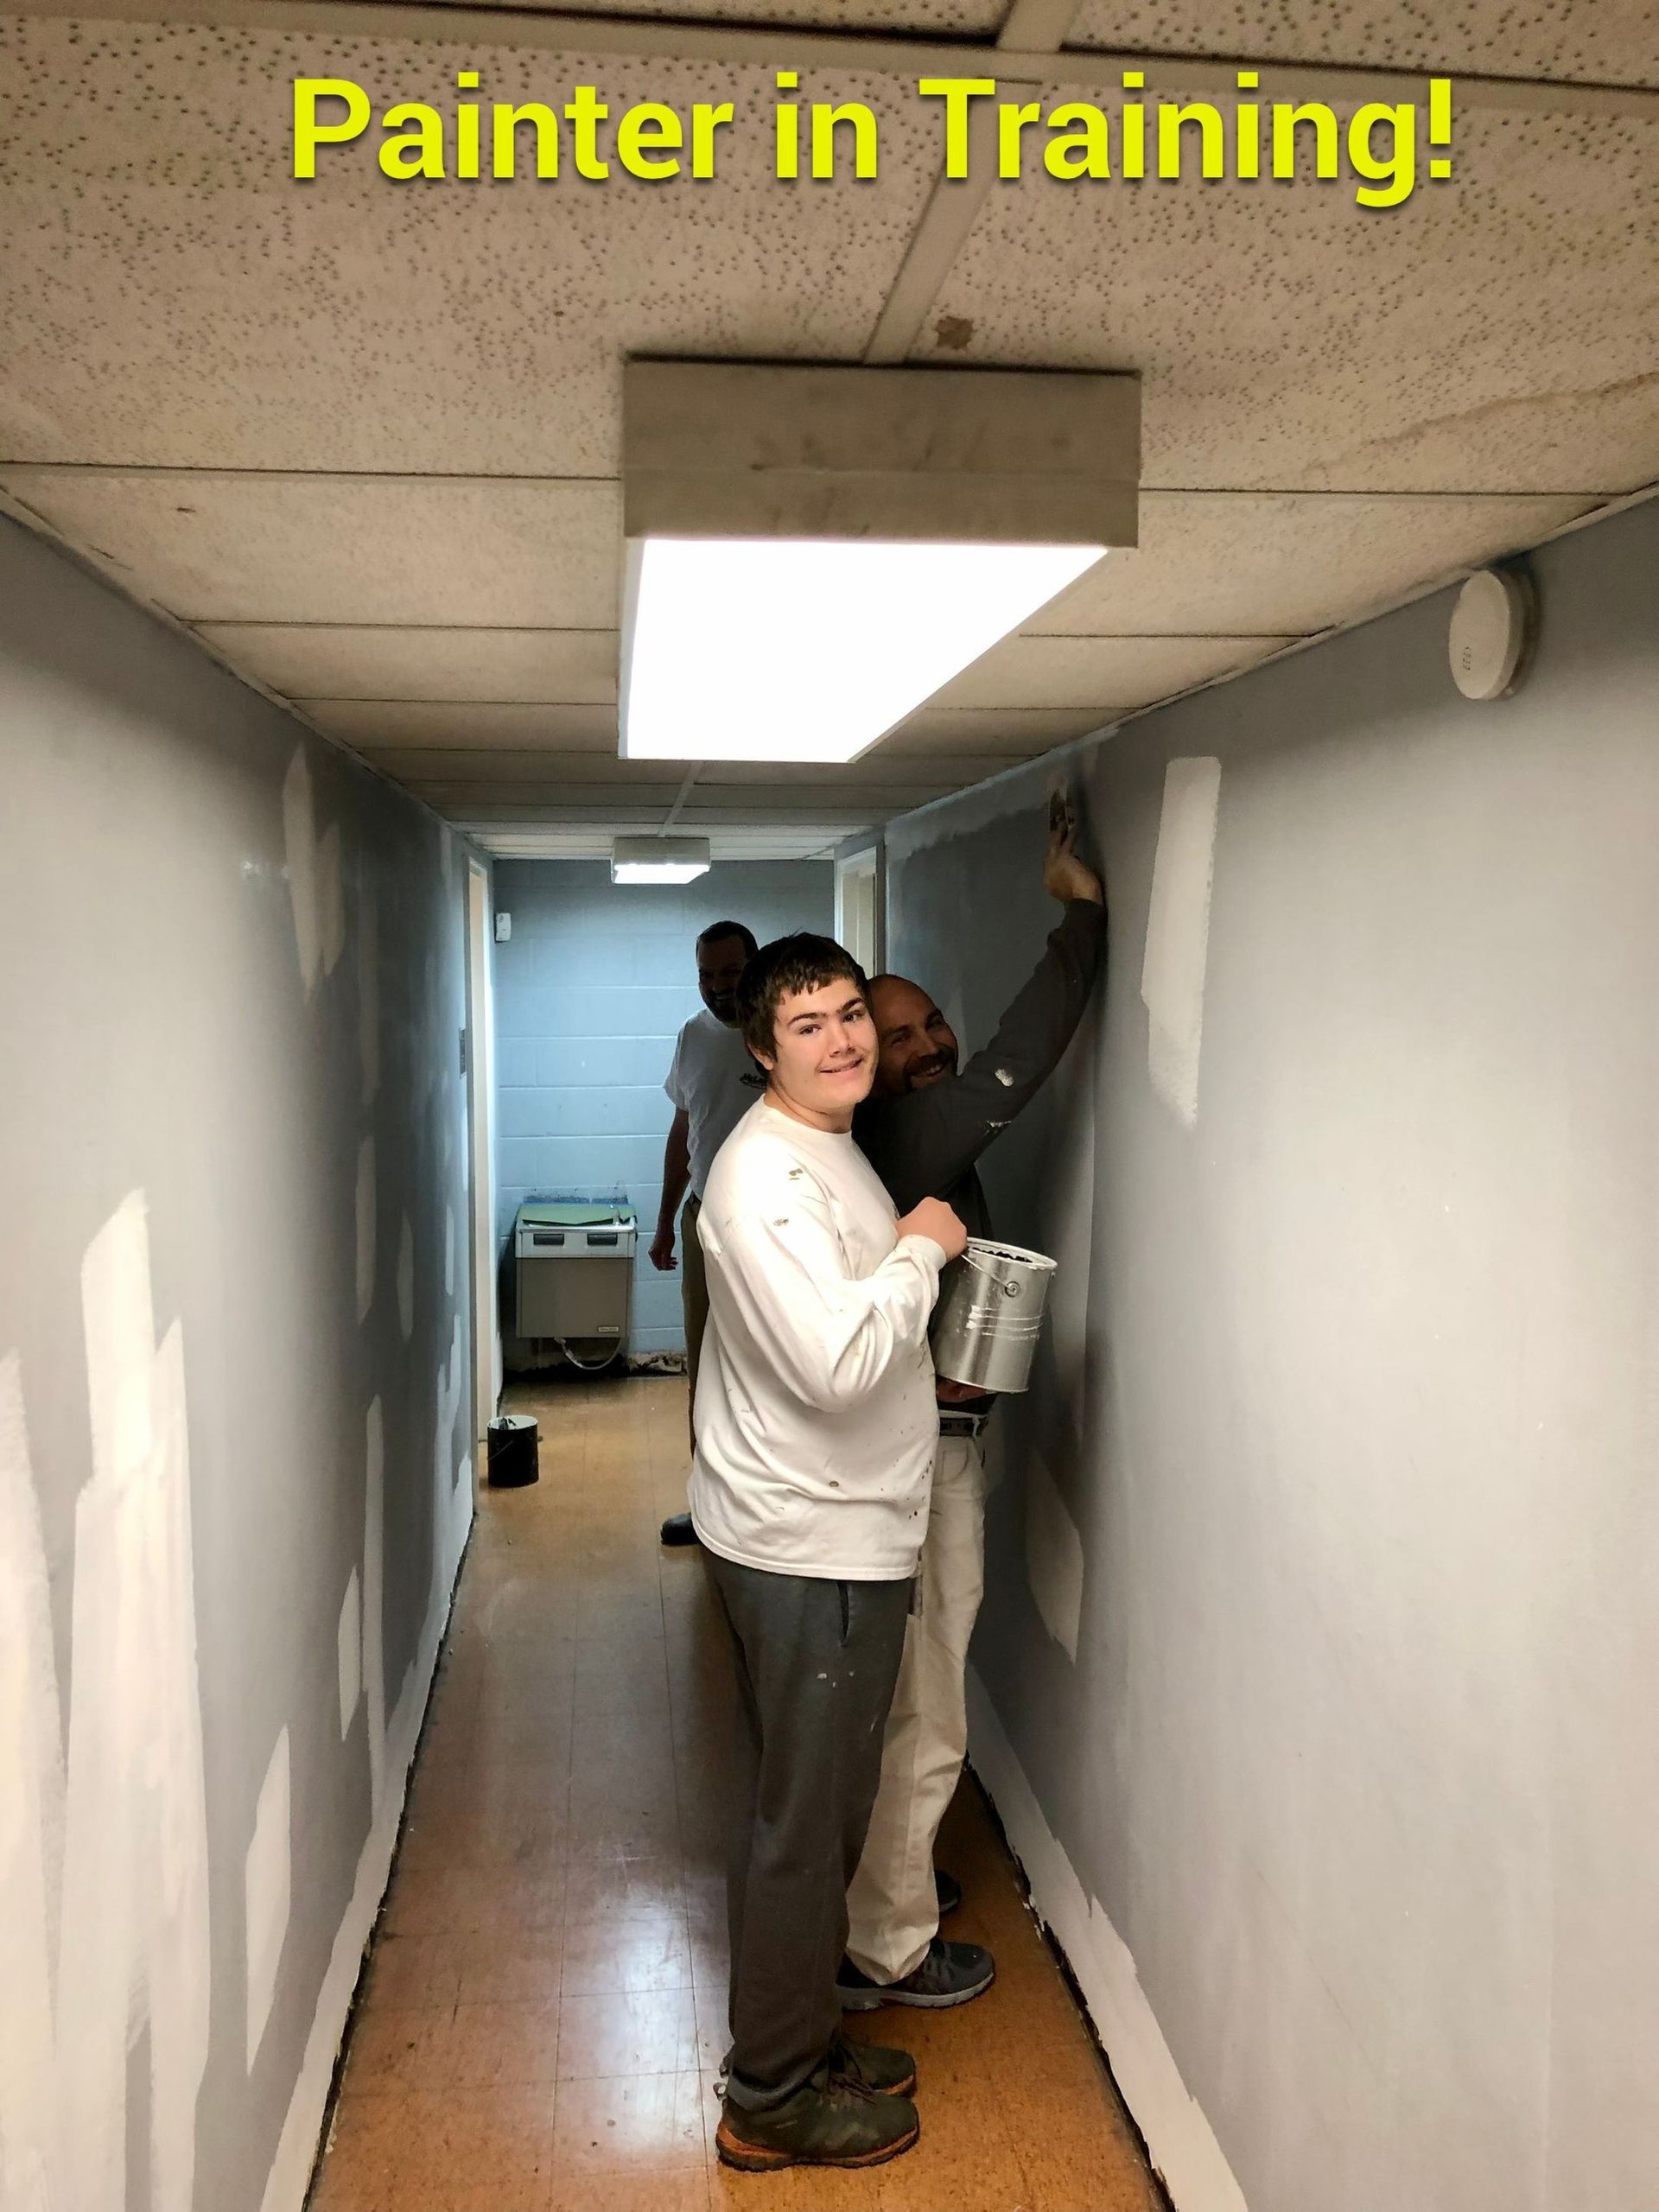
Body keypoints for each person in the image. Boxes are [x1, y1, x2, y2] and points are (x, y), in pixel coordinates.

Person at [690, 932, 968, 2171]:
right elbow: (844, 1365)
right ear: (761, 1051)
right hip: (810, 1542)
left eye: (851, 1012)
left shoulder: (828, 1147)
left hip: (841, 1528)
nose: (846, 1039)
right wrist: (925, 1249)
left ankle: (805, 2033)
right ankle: (772, 2095)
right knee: (805, 1825)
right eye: (808, 1025)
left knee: (827, 1808)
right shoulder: (763, 1183)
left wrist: (902, 1259)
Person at [836, 820, 1107, 2014]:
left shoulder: (872, 1136)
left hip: (917, 1442)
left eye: (927, 1019)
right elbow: (1022, 1053)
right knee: (934, 1697)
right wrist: (1080, 920)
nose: (931, 1043)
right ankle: (889, 1943)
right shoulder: (913, 1128)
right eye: (899, 1037)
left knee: (909, 1689)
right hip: (924, 1462)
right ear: (862, 1063)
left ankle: (881, 1885)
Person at [650, 918, 765, 1546]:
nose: (718, 987)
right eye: (706, 975)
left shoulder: (780, 1035)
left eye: (730, 972)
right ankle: (711, 1508)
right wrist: (667, 1218)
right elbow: (683, 1130)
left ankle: (763, 1511)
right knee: (706, 1367)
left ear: (755, 966)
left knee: (767, 1369)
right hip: (703, 1222)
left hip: (772, 1233)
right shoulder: (692, 1037)